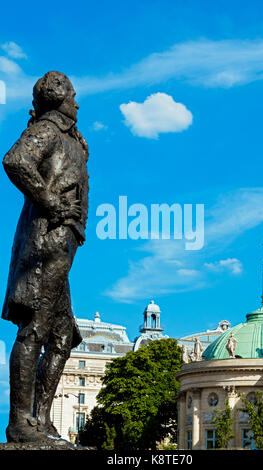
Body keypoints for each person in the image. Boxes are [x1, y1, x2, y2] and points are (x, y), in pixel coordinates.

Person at [2, 71, 89, 443]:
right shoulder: (49, 129)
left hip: (60, 244)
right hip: (45, 240)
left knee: (62, 334)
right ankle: (21, 421)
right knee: (34, 328)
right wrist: (51, 201)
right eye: (73, 96)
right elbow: (16, 160)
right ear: (61, 99)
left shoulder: (71, 138)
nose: (77, 103)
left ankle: (40, 419)